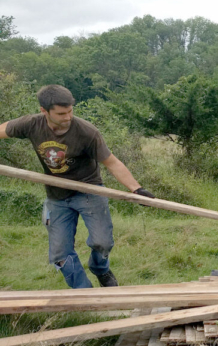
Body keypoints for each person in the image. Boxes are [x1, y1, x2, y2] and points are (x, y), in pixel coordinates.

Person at [0, 85, 155, 288]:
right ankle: (87, 296)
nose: (68, 117)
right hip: (56, 197)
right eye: (61, 113)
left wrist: (136, 189)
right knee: (60, 255)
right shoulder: (31, 124)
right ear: (44, 111)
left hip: (90, 191)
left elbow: (112, 162)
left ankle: (101, 269)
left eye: (70, 111)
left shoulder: (86, 132)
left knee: (103, 243)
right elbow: (3, 129)